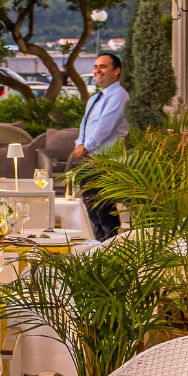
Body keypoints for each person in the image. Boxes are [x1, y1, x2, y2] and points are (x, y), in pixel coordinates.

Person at [71, 51, 130, 237]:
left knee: (105, 213)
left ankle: (112, 251)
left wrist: (86, 146)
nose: (97, 70)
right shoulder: (95, 98)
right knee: (93, 214)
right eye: (96, 67)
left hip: (105, 162)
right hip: (89, 161)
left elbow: (105, 125)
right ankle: (99, 250)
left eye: (103, 66)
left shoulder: (119, 95)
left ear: (116, 70)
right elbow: (85, 124)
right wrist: (80, 143)